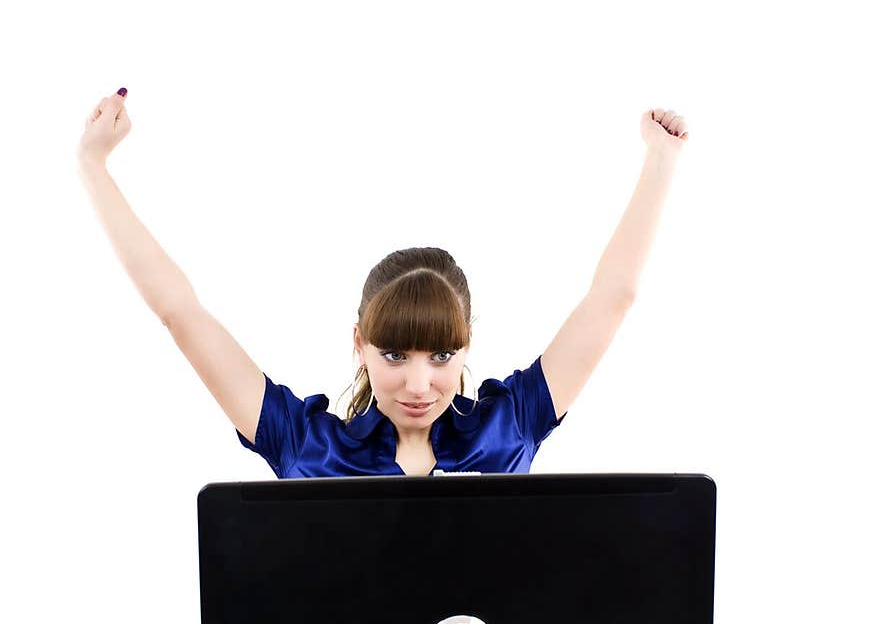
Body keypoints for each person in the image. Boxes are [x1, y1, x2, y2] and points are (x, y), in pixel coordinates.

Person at [77, 89, 688, 478]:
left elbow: (614, 297)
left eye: (441, 355)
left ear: (466, 346)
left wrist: (660, 160)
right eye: (394, 354)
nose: (419, 384)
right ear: (359, 344)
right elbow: (182, 313)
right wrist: (93, 167)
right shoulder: (305, 444)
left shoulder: (510, 428)